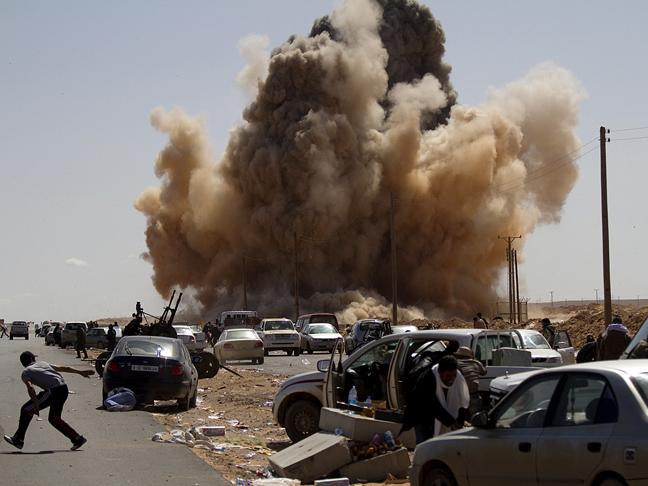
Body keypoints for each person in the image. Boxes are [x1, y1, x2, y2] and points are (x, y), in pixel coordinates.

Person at [3, 351, 93, 451]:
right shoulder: (43, 363)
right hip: (63, 389)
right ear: (33, 359)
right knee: (54, 418)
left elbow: (30, 388)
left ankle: (18, 439)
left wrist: (36, 405)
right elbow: (64, 368)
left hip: (53, 391)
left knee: (26, 409)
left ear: (23, 363)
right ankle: (77, 439)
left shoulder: (26, 372)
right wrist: (81, 372)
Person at [401, 355, 470, 444]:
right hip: (423, 415)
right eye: (448, 376)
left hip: (443, 416)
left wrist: (460, 421)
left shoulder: (458, 377)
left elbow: (462, 401)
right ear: (440, 373)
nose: (452, 380)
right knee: (426, 446)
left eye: (454, 375)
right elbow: (432, 405)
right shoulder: (427, 378)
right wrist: (451, 422)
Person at [455, 346, 487, 416]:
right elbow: (484, 372)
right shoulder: (476, 363)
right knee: (475, 416)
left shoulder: (456, 363)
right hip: (474, 394)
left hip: (460, 395)